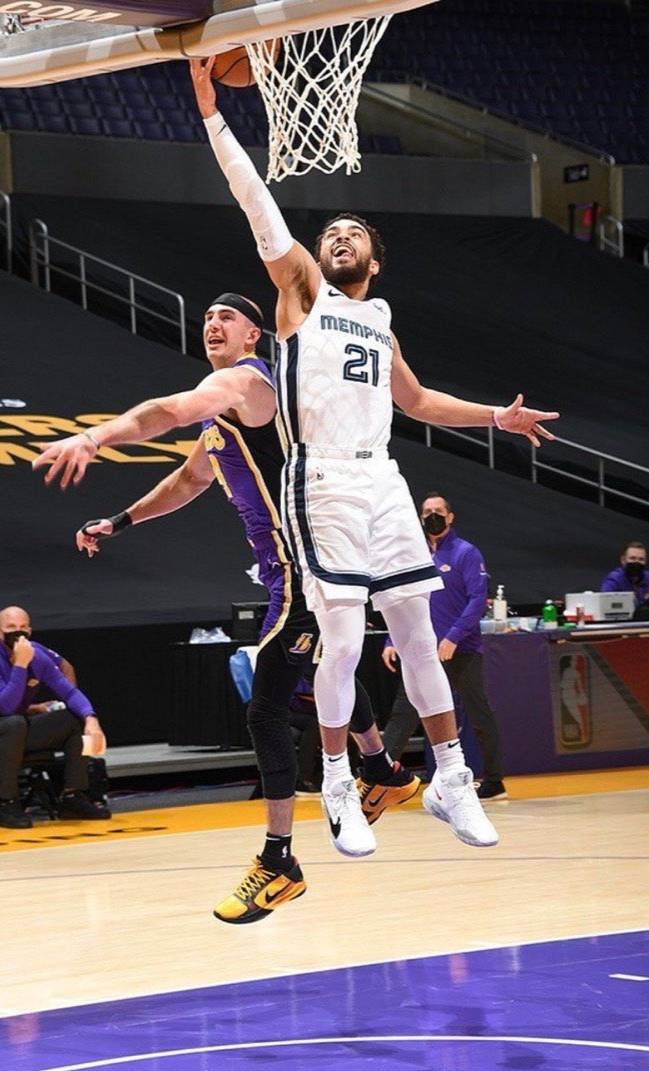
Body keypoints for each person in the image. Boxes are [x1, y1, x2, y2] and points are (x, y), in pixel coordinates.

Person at [179, 58, 557, 852]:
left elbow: (416, 402)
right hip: (320, 477)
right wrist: (213, 113)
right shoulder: (302, 292)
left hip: (381, 474)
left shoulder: (377, 318)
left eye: (353, 234)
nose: (339, 236)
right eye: (330, 233)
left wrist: (496, 416)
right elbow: (256, 201)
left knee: (415, 632)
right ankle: (337, 782)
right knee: (345, 640)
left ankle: (450, 778)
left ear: (375, 262)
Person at [36, 294, 417, 923]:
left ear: (252, 335)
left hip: (303, 568)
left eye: (227, 317)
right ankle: (381, 768)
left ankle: (279, 860)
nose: (212, 323)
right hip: (291, 573)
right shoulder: (222, 420)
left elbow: (168, 411)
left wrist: (96, 436)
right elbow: (189, 480)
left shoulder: (246, 383)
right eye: (208, 316)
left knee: (265, 710)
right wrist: (121, 520)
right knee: (320, 673)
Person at [380, 493, 506, 801]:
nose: (432, 516)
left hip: (461, 650)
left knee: (479, 713)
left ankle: (494, 780)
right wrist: (391, 640)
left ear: (450, 517)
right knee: (404, 712)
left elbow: (478, 600)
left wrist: (453, 637)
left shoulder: (466, 553)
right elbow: (403, 600)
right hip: (421, 650)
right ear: (419, 518)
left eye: (438, 511)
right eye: (427, 512)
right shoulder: (415, 555)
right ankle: (379, 778)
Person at [0, 605, 110, 828]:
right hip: (6, 725)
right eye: (11, 627)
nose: (18, 632)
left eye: (23, 627)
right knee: (14, 723)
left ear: (29, 631)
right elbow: (6, 707)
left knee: (74, 718)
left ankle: (73, 796)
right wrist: (20, 666)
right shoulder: (19, 659)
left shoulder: (37, 656)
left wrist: (91, 719)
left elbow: (69, 692)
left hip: (16, 730)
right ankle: (7, 802)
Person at [601, 542, 649, 611]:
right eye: (632, 558)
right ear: (623, 560)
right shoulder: (614, 579)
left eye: (641, 559)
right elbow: (606, 604)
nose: (637, 562)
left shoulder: (647, 577)